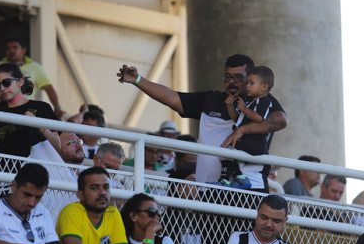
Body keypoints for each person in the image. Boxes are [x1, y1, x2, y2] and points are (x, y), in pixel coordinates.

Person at [117, 53, 287, 188]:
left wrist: (242, 130)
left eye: (239, 77)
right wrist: (137, 80)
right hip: (208, 188)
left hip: (248, 189)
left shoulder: (261, 100)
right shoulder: (211, 99)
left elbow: (280, 121)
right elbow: (172, 97)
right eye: (227, 77)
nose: (231, 82)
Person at [0, 63, 60, 166]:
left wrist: (38, 125)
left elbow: (57, 146)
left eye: (6, 82)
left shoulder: (41, 107)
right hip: (5, 176)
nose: (2, 88)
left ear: (20, 82)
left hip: (36, 172)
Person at [219, 65, 278, 186]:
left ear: (264, 87)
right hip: (245, 139)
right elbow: (237, 118)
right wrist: (230, 106)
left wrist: (245, 109)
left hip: (255, 142)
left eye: (251, 83)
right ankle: (225, 179)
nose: (247, 86)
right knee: (225, 152)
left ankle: (238, 178)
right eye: (247, 83)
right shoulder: (248, 101)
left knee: (228, 151)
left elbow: (259, 118)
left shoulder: (265, 101)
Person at [0, 37, 65, 117]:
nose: (11, 50)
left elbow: (49, 89)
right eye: (8, 48)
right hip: (2, 112)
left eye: (15, 47)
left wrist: (57, 107)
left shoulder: (35, 67)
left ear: (23, 50)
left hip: (27, 112)